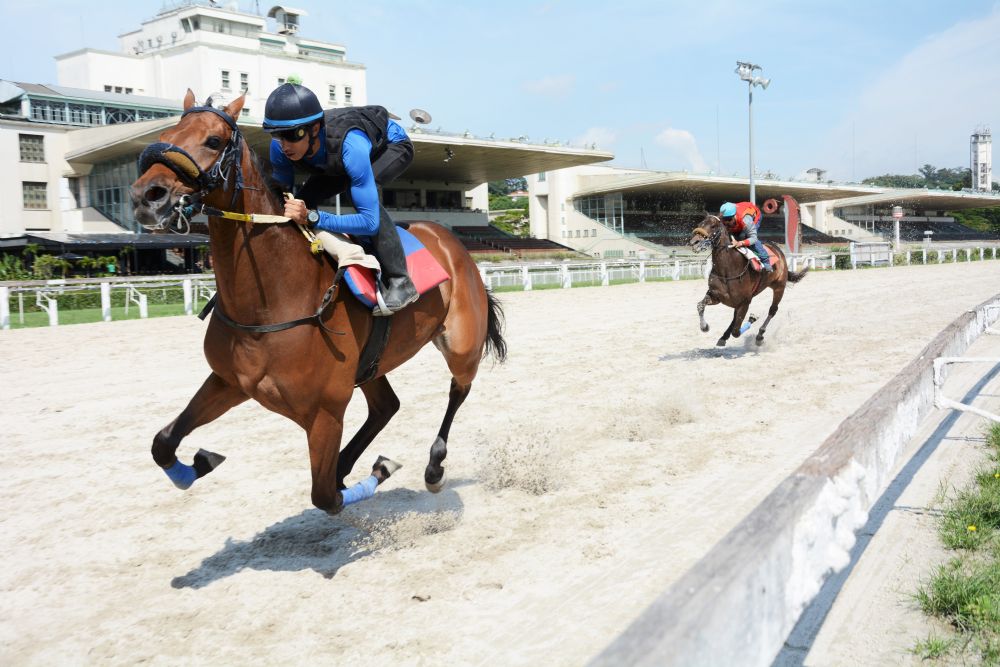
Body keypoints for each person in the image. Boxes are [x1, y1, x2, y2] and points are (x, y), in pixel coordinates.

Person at [263, 82, 418, 314]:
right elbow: (281, 197)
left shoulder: (351, 146)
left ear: (314, 129)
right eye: (277, 135)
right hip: (338, 158)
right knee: (301, 199)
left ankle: (400, 281)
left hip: (391, 146)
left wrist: (313, 217)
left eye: (292, 135)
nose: (284, 145)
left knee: (355, 195)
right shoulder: (279, 148)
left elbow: (369, 222)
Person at [719, 201, 772, 272]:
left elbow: (753, 238)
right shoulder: (724, 218)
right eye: (724, 219)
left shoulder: (746, 220)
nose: (726, 222)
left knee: (747, 238)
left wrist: (741, 243)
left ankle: (766, 261)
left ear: (734, 216)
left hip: (754, 217)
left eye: (729, 220)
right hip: (738, 221)